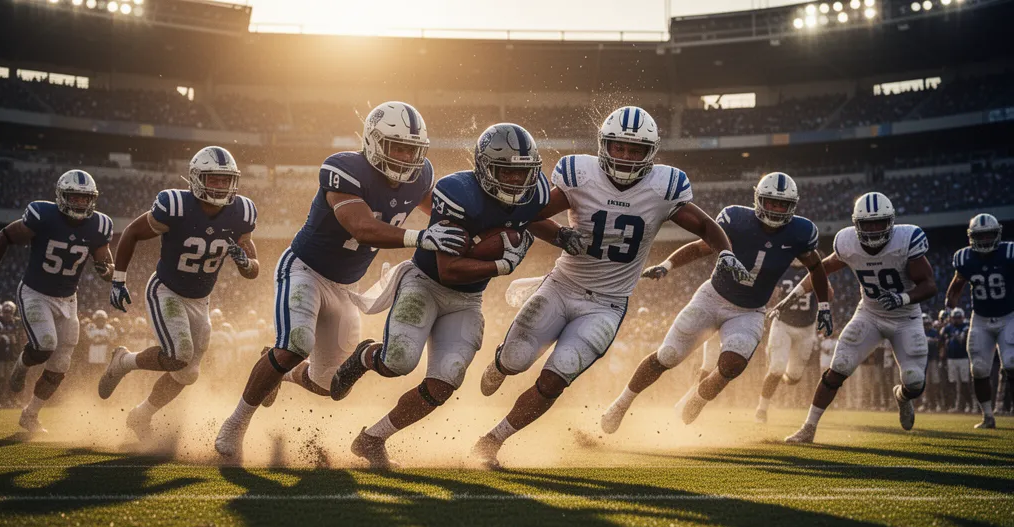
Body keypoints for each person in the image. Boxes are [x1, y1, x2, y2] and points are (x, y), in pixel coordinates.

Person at [471, 106, 737, 468]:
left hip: (606, 305)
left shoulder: (664, 186)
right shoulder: (579, 174)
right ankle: (502, 364)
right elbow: (529, 216)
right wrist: (562, 236)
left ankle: (491, 442)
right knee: (516, 360)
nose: (625, 157)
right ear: (603, 145)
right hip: (562, 286)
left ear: (651, 152)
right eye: (618, 147)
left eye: (635, 150)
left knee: (554, 379)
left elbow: (707, 227)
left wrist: (725, 253)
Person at [213, 102, 466, 459]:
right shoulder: (343, 168)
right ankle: (236, 423)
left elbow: (440, 212)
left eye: (413, 148)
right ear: (375, 142)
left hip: (346, 288)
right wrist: (420, 238)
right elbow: (360, 226)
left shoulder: (421, 175)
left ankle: (279, 373)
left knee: (329, 385)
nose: (407, 156)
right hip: (305, 270)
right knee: (295, 343)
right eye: (398, 146)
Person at [333, 123, 549, 468]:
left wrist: (563, 236)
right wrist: (501, 265)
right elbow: (449, 269)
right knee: (398, 362)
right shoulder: (456, 191)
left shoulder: (535, 192)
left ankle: (372, 438)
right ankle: (365, 357)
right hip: (427, 284)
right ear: (484, 166)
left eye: (522, 172)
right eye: (505, 171)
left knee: (444, 382)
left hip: (467, 300)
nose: (514, 181)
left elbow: (532, 217)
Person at [601, 171, 832, 434]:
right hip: (713, 298)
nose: (776, 210)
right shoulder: (736, 220)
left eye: (782, 205)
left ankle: (697, 400)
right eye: (771, 202)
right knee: (667, 355)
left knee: (732, 364)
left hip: (750, 310)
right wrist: (667, 265)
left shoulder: (800, 233)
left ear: (793, 206)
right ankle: (620, 404)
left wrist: (824, 305)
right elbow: (701, 247)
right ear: (759, 200)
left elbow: (817, 268)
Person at [98, 146, 260, 442]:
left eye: (226, 180)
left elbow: (253, 270)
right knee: (179, 354)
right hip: (167, 290)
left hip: (201, 299)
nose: (221, 186)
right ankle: (124, 361)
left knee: (188, 373)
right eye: (215, 179)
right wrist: (118, 280)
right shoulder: (175, 205)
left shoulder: (242, 213)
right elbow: (132, 232)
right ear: (197, 178)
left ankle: (141, 415)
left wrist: (245, 262)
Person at [783, 192, 937, 443]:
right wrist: (797, 292)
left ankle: (903, 396)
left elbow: (929, 285)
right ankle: (808, 428)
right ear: (857, 224)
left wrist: (903, 298)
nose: (874, 229)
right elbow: (820, 270)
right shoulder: (847, 242)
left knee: (915, 381)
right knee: (839, 366)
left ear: (891, 222)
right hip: (870, 314)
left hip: (905, 317)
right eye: (868, 224)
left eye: (880, 222)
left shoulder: (907, 239)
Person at [0, 170, 114, 434]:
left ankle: (30, 414)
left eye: (85, 198)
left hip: (68, 299)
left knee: (61, 364)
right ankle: (22, 364)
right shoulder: (42, 215)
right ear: (61, 196)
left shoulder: (99, 225)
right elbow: (5, 235)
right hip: (35, 293)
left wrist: (111, 274)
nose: (80, 203)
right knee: (45, 344)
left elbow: (105, 263)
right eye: (74, 197)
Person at [945, 213, 1013, 429]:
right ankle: (987, 416)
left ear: (997, 235)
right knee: (979, 368)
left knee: (1011, 363)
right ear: (971, 237)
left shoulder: (1009, 253)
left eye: (988, 236)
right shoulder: (965, 258)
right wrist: (950, 304)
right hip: (981, 318)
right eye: (980, 236)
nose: (984, 240)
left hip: (1009, 315)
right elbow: (957, 284)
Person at [755, 261, 828, 423]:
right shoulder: (782, 268)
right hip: (783, 324)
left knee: (794, 377)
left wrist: (823, 286)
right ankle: (761, 409)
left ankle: (778, 374)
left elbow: (828, 294)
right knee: (776, 369)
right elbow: (772, 294)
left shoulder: (814, 269)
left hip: (807, 328)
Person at [941, 308, 972, 413]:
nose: (956, 320)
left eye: (958, 318)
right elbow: (941, 337)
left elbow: (963, 340)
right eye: (954, 318)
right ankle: (956, 405)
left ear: (962, 317)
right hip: (951, 358)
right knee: (953, 383)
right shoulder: (949, 327)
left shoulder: (966, 326)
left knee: (964, 383)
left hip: (963, 358)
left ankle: (969, 404)